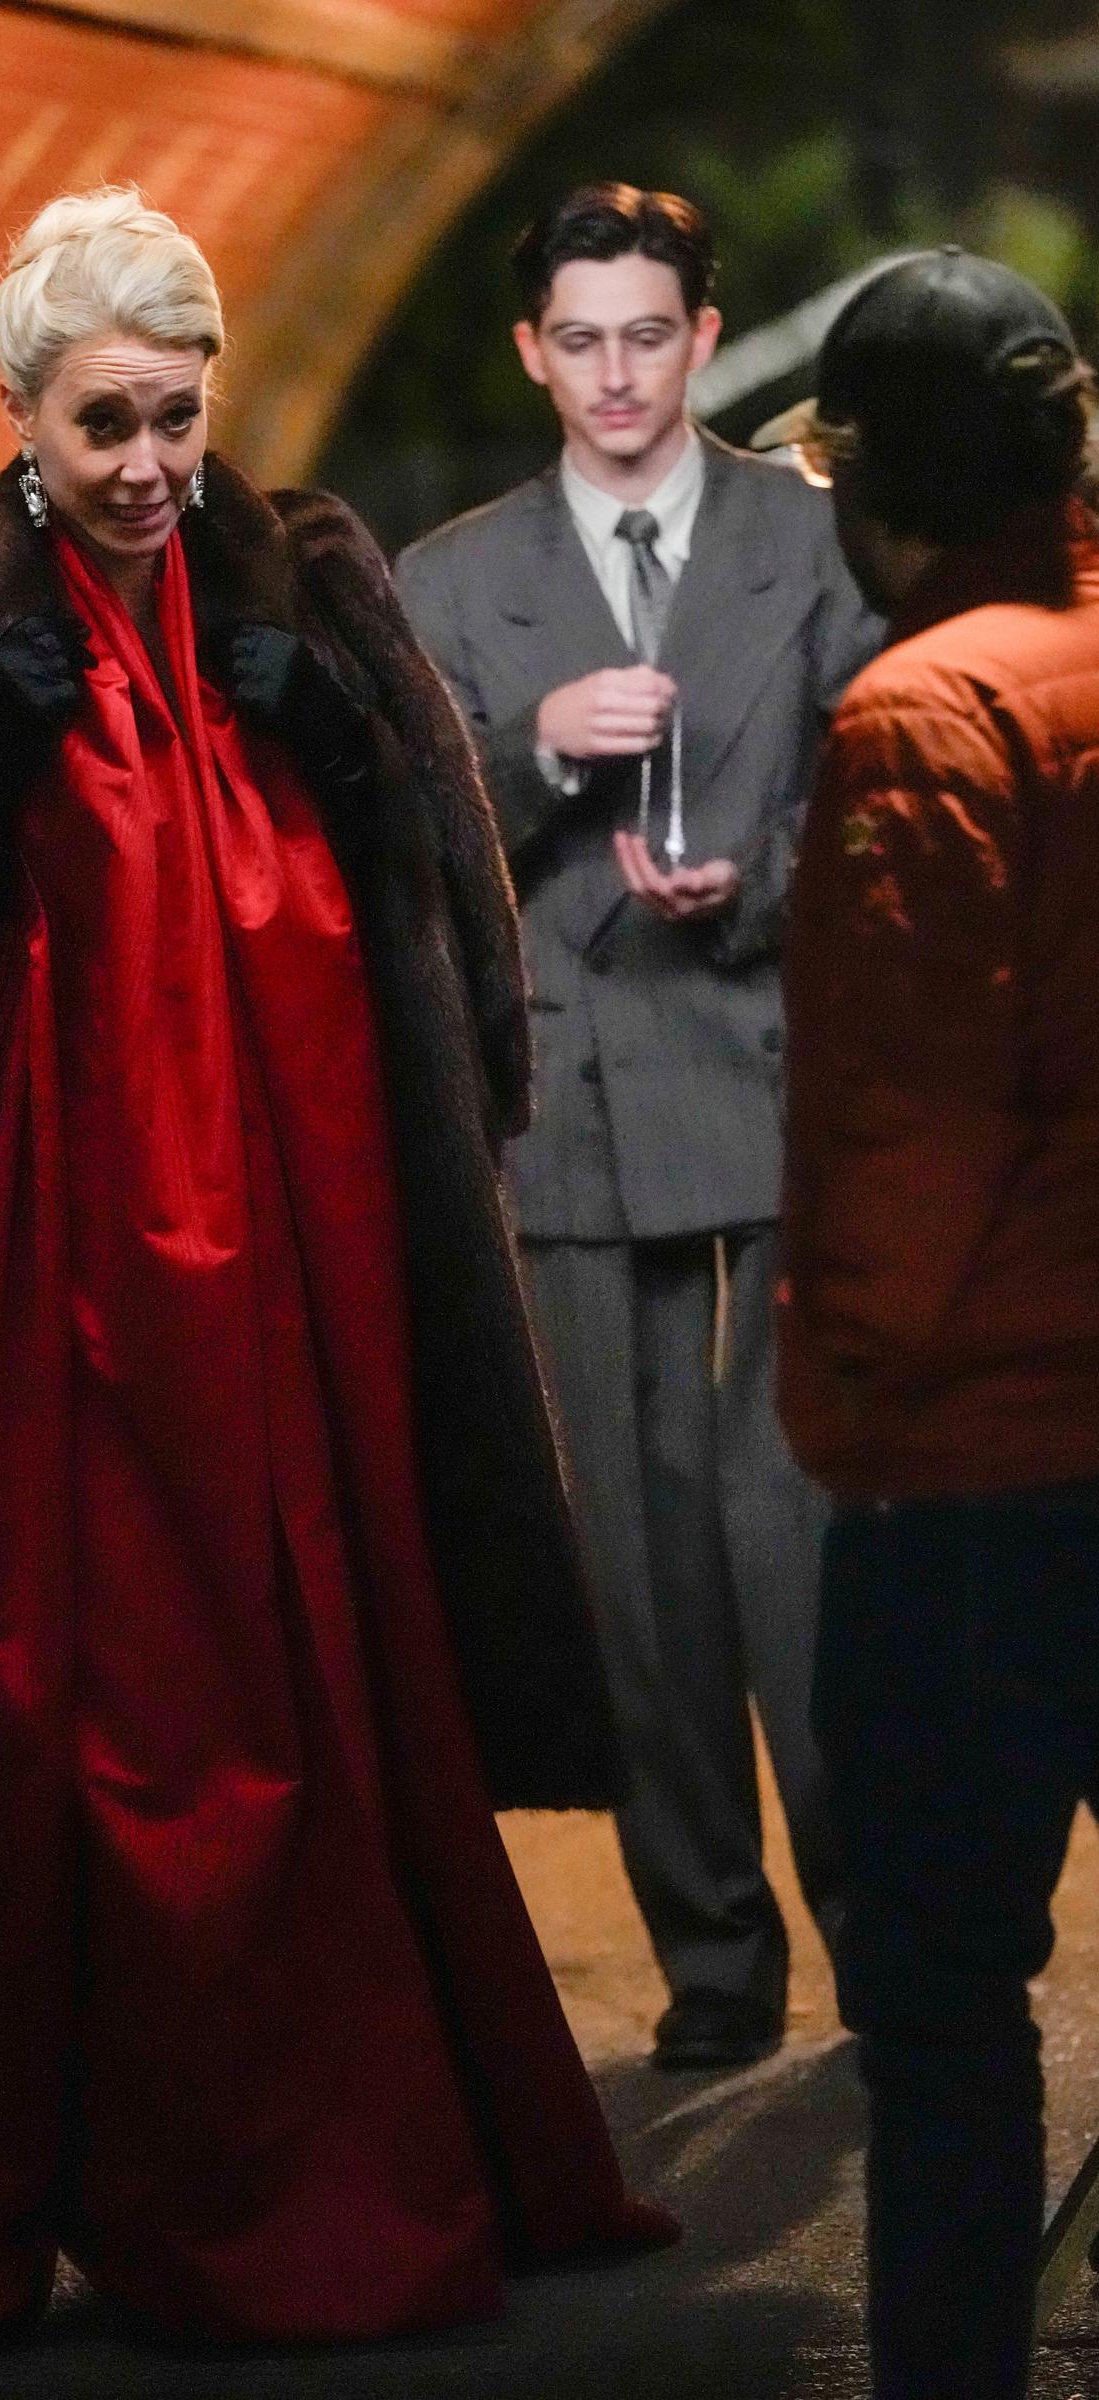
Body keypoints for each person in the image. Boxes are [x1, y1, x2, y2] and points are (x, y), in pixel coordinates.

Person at [0, 185, 676, 2368]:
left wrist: (346, 752)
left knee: (338, 1680)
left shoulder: (316, 591)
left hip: (316, 1268)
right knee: (74, 1708)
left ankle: (383, 2150)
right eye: (105, 427)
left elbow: (453, 926)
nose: (153, 465)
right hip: (51, 1293)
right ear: (16, 417)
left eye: (178, 415)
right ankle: (74, 2191)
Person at [396, 184, 880, 2071]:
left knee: (804, 1536)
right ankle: (715, 1957)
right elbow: (408, 864)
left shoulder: (814, 543)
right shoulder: (449, 582)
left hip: (783, 1065)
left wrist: (754, 880)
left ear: (701, 334)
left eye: (649, 335)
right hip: (577, 1095)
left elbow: (881, 770)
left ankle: (880, 1929)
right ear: (535, 352)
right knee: (640, 1561)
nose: (616, 373)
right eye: (579, 339)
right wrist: (537, 757)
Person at [778, 248, 1099, 2400]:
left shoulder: (922, 714)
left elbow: (906, 1128)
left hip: (977, 1473)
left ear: (871, 476)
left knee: (940, 1996)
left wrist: (839, 1398)